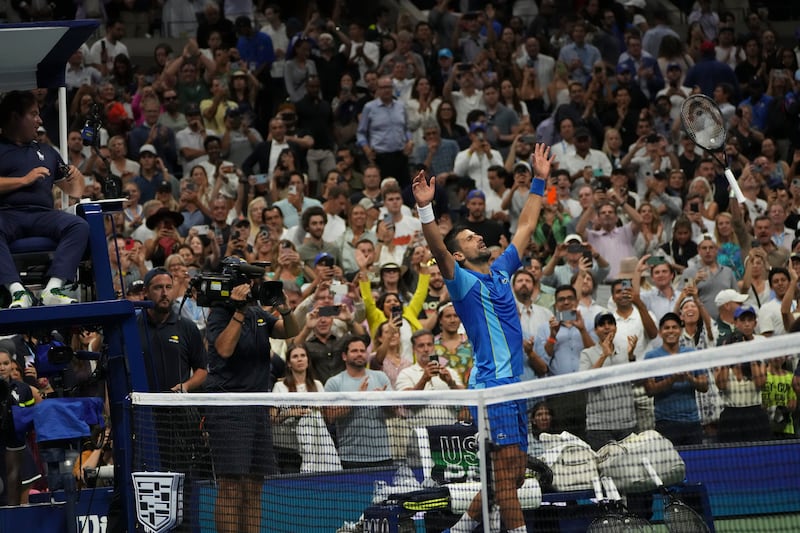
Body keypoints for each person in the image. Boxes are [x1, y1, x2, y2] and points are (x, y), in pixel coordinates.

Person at [412, 143, 554, 533]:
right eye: (470, 237)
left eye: (477, 235)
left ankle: (459, 529)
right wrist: (426, 208)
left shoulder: (503, 270)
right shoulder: (463, 284)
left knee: (513, 477)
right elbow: (437, 248)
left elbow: (525, 224)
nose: (478, 238)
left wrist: (540, 179)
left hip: (514, 388)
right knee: (507, 477)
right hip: (491, 389)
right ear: (459, 256)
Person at [204, 257, 299, 533]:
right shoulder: (219, 313)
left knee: (255, 485)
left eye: (251, 280)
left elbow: (288, 331)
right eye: (244, 280)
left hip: (258, 406)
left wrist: (286, 310)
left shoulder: (258, 311)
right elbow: (223, 349)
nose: (250, 285)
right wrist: (238, 310)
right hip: (229, 408)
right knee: (231, 485)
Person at [0, 90, 89, 308]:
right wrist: (23, 180)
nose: (39, 121)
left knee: (79, 225)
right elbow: (26, 180)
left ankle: (54, 288)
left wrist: (78, 180)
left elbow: (73, 190)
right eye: (33, 114)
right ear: (14, 117)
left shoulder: (47, 151)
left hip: (43, 215)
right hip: (7, 214)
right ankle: (17, 292)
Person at [324, 335, 394, 469]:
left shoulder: (380, 377)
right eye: (354, 351)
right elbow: (329, 416)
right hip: (350, 457)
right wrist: (357, 398)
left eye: (362, 351)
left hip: (383, 456)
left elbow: (394, 412)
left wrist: (383, 400)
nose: (359, 354)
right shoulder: (334, 382)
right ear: (345, 356)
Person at [644, 313, 709, 446]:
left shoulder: (692, 354)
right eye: (667, 328)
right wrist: (672, 379)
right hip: (665, 422)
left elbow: (704, 386)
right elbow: (650, 390)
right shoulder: (651, 356)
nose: (671, 331)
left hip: (692, 422)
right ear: (661, 332)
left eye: (674, 327)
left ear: (680, 331)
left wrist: (689, 378)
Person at [580, 313, 638, 450]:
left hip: (626, 424)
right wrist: (603, 356)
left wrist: (630, 357)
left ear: (615, 327)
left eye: (610, 323)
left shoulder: (626, 352)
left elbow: (635, 380)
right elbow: (584, 382)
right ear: (595, 330)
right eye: (602, 324)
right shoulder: (587, 354)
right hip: (599, 427)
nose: (607, 327)